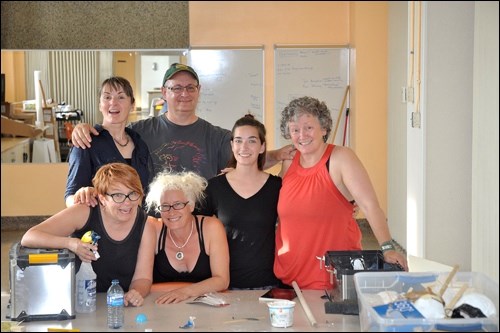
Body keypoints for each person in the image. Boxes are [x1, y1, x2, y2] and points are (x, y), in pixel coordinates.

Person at [70, 63, 295, 183]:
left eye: (190, 87)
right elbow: (112, 133)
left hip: (201, 227)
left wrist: (277, 155)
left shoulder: (216, 136)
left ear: (199, 91)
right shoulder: (139, 132)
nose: (183, 93)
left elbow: (248, 160)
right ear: (164, 92)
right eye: (176, 88)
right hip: (153, 227)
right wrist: (84, 129)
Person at [274, 96, 408, 290]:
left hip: (332, 277)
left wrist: (387, 247)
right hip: (288, 276)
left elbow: (370, 206)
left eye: (309, 127)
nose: (302, 135)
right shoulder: (288, 161)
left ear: (324, 129)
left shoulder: (340, 158)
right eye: (295, 130)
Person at [21, 163, 156, 307]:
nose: (127, 202)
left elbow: (143, 277)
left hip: (117, 305)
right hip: (77, 302)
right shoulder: (84, 212)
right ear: (102, 198)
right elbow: (30, 237)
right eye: (117, 195)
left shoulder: (146, 225)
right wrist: (71, 244)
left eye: (133, 193)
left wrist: (136, 292)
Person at [198, 114, 281, 289]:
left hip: (269, 285)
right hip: (225, 285)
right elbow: (196, 230)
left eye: (252, 141)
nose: (244, 147)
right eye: (238, 140)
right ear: (232, 145)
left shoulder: (277, 187)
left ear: (262, 147)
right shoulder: (215, 187)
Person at [65, 76, 152, 208]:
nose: (113, 103)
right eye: (107, 97)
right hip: (101, 225)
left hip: (137, 223)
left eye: (121, 97)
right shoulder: (86, 142)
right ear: (100, 105)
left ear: (132, 105)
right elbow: (70, 196)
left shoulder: (140, 144)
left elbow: (145, 193)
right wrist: (81, 196)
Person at [145, 170, 229, 304]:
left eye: (178, 204)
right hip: (161, 306)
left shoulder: (211, 227)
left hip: (204, 308)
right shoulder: (153, 228)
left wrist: (183, 292)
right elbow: (143, 282)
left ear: (191, 205)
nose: (171, 212)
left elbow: (222, 280)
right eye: (165, 206)